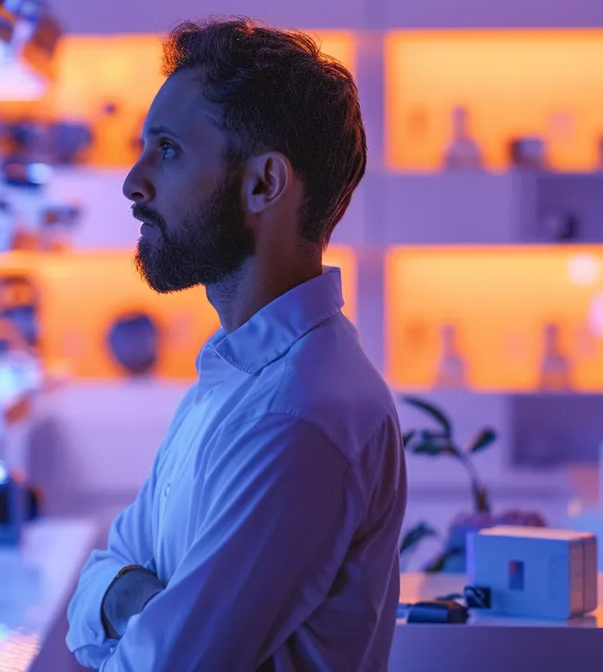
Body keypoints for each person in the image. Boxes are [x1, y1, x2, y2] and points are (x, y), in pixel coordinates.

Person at [64, 16, 406, 672]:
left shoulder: (300, 415)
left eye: (167, 149)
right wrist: (135, 597)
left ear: (263, 184)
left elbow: (165, 667)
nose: (134, 182)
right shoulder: (235, 378)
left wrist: (129, 602)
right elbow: (100, 578)